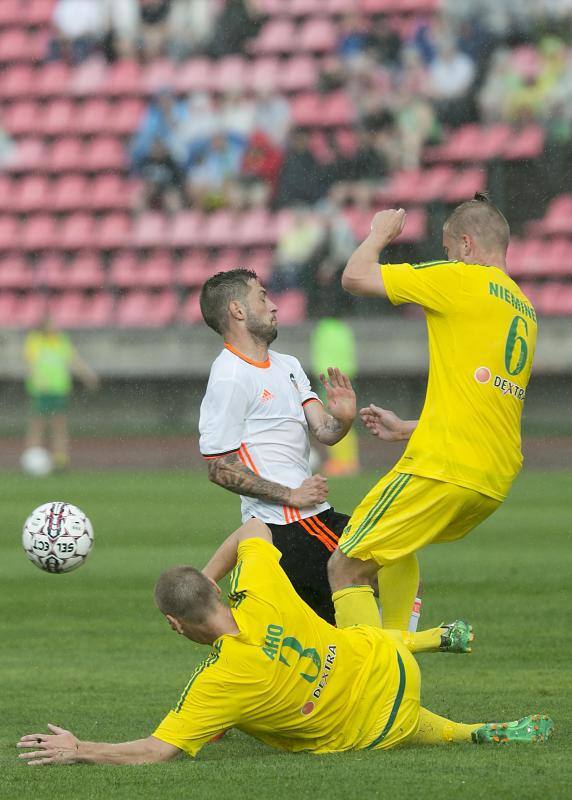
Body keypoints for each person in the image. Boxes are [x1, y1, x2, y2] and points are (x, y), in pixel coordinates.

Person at [17, 519, 553, 766]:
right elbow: (254, 529)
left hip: (380, 728)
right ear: (217, 591)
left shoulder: (218, 683)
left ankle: (474, 732)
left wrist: (79, 749)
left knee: (409, 728)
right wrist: (204, 578)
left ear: (177, 626)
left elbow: (156, 751)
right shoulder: (261, 589)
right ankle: (428, 642)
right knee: (346, 576)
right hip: (389, 663)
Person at [328, 193, 538, 636]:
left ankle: (374, 678)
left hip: (443, 465)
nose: (445, 257)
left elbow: (354, 276)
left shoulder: (462, 278)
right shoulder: (524, 309)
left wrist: (378, 234)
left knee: (345, 566)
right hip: (492, 478)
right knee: (395, 546)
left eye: (445, 250)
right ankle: (404, 646)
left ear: (465, 246)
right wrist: (408, 428)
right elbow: (486, 405)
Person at [198, 269, 357, 624]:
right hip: (288, 527)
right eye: (262, 297)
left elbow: (325, 431)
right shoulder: (229, 376)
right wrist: (291, 495)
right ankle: (400, 659)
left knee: (334, 627)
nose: (274, 306)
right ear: (238, 311)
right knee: (381, 577)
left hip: (310, 517)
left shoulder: (288, 365)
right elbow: (219, 467)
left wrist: (343, 419)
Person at [24, 317, 99, 470]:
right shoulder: (35, 341)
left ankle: (60, 459)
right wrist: (38, 380)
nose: (55, 327)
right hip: (41, 390)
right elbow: (30, 364)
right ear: (43, 326)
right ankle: (31, 458)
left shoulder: (61, 341)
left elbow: (73, 360)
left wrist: (87, 374)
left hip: (58, 389)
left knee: (58, 424)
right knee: (38, 424)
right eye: (52, 324)